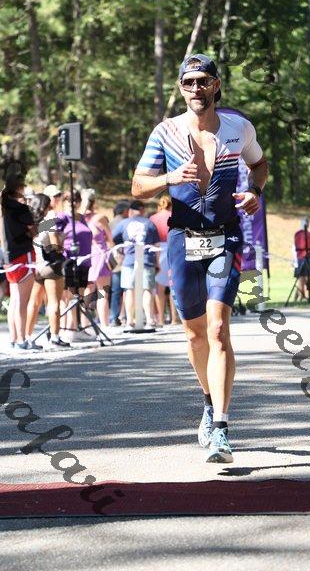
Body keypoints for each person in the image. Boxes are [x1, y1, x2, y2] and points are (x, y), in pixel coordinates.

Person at [131, 53, 268, 463]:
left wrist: (254, 192)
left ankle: (222, 428)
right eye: (188, 82)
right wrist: (169, 178)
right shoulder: (166, 132)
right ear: (180, 88)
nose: (196, 88)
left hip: (225, 237)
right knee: (194, 334)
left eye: (203, 80)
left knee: (218, 328)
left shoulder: (238, 128)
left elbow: (259, 165)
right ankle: (208, 403)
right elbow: (138, 186)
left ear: (216, 84)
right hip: (182, 239)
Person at [25, 193, 69, 349]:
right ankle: (55, 337)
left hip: (36, 266)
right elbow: (55, 244)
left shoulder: (29, 224)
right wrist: (62, 241)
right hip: (51, 266)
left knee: (34, 302)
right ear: (45, 206)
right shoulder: (48, 222)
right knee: (54, 302)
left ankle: (27, 337)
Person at [1, 173, 36, 350]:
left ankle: (14, 338)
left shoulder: (5, 209)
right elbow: (34, 231)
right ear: (19, 188)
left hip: (9, 257)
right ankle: (22, 339)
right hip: (24, 255)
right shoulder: (21, 209)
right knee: (23, 301)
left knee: (15, 300)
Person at [112, 200, 160, 330]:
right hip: (147, 259)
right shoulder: (149, 223)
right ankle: (149, 320)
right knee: (147, 289)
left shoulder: (123, 223)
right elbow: (156, 245)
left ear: (130, 211)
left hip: (128, 260)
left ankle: (129, 321)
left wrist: (120, 254)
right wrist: (157, 263)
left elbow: (113, 239)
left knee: (129, 290)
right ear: (142, 210)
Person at [56, 190, 93, 341]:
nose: (72, 203)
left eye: (75, 200)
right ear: (64, 202)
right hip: (69, 261)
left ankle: (78, 327)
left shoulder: (81, 218)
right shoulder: (62, 217)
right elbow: (55, 238)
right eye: (69, 200)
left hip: (84, 262)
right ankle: (67, 329)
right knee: (69, 296)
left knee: (80, 296)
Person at [83, 192, 115, 332]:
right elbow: (110, 239)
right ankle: (104, 324)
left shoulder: (79, 219)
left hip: (86, 257)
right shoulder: (100, 218)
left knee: (87, 291)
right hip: (100, 257)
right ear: (94, 202)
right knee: (103, 292)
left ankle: (85, 324)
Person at [150, 194, 179, 326]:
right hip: (173, 248)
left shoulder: (153, 218)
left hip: (157, 250)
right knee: (174, 285)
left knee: (159, 287)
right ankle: (174, 318)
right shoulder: (174, 215)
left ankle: (161, 319)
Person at [109, 200, 130, 326]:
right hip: (122, 258)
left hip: (111, 259)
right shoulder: (124, 223)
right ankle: (126, 316)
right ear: (125, 211)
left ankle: (113, 317)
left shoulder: (110, 222)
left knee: (115, 289)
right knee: (126, 288)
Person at [293, 217, 310, 301]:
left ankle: (301, 296)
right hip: (307, 257)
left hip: (300, 258)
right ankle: (305, 295)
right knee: (308, 278)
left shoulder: (297, 234)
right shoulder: (309, 234)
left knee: (301, 278)